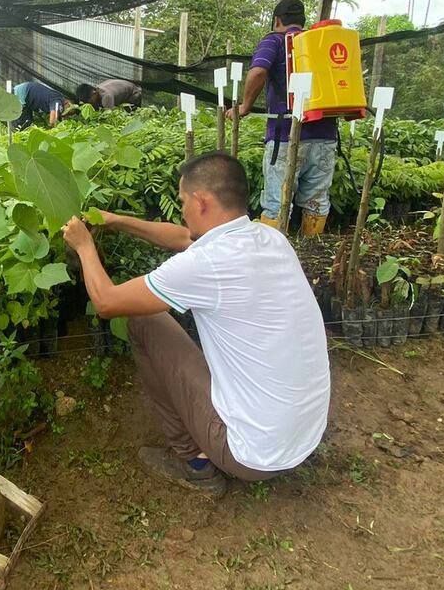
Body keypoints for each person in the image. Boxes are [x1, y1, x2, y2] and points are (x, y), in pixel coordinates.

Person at [61, 152, 330, 498]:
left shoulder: (207, 264)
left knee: (145, 322)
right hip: (302, 437)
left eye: (183, 201)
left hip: (255, 456)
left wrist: (84, 246)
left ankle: (195, 463)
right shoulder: (269, 238)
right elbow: (182, 238)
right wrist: (116, 221)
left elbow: (106, 302)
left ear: (201, 200)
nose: (182, 209)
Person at [231, 0, 339, 235]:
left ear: (277, 20)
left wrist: (245, 105)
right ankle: (310, 253)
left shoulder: (275, 41)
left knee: (277, 201)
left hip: (285, 135)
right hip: (326, 135)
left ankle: (274, 254)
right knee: (316, 200)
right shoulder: (317, 44)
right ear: (302, 21)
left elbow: (258, 71)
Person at [75, 78, 142, 110]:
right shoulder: (97, 91)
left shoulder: (106, 97)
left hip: (133, 94)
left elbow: (109, 115)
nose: (90, 102)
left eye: (89, 99)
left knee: (128, 114)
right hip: (124, 93)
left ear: (94, 93)